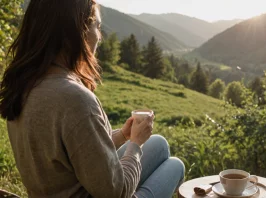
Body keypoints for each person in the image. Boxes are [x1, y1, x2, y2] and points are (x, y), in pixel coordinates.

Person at [0, 0, 185, 197]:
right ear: (76, 32)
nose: (100, 36)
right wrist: (136, 144)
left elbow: (78, 153)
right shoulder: (74, 99)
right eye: (97, 26)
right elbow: (116, 191)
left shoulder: (24, 85)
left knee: (159, 144)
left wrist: (124, 135)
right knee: (175, 165)